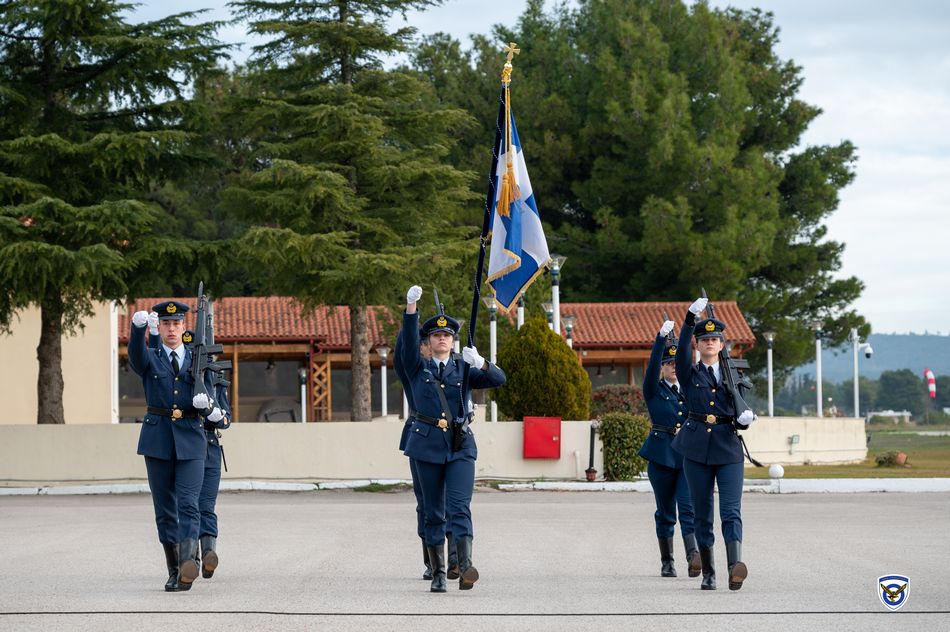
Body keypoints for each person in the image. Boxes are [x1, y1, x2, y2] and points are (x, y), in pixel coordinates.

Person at [398, 285, 506, 592]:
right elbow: (406, 345)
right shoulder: (417, 368)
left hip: (459, 446)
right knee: (433, 511)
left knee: (459, 506)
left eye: (447, 336)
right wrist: (411, 308)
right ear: (429, 342)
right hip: (426, 446)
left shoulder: (464, 368)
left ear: (453, 341)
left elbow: (499, 380)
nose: (442, 339)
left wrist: (482, 362)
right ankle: (439, 573)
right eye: (436, 336)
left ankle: (466, 565)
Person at [129, 301, 224, 592]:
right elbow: (135, 357)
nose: (172, 329)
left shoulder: (198, 359)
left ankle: (187, 567)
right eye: (167, 324)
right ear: (163, 327)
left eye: (177, 324)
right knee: (165, 509)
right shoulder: (152, 357)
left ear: (184, 327)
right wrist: (137, 330)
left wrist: (208, 407)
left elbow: (214, 393)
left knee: (188, 504)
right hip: (158, 440)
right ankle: (174, 569)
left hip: (192, 439)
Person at [671, 297, 756, 591]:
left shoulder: (735, 375)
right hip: (695, 449)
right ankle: (709, 571)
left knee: (731, 510)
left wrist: (745, 416)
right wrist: (688, 321)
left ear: (721, 345)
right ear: (698, 344)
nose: (709, 342)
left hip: (728, 447)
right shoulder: (689, 373)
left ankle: (735, 566)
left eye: (714, 339)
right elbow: (681, 351)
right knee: (702, 513)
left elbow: (743, 406)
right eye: (704, 338)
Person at [149, 325, 232, 581]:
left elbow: (226, 419)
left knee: (204, 505)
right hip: (187, 444)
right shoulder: (182, 373)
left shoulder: (214, 379)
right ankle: (190, 559)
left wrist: (214, 413)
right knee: (185, 505)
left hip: (209, 448)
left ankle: (208, 555)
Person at [393, 334, 460, 581]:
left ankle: (454, 558)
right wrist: (408, 322)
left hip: (451, 439)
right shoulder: (414, 372)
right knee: (427, 505)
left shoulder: (455, 368)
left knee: (453, 502)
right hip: (421, 438)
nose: (427, 347)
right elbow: (402, 354)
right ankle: (432, 561)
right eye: (422, 343)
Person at [640, 320, 699, 578]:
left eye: (677, 364)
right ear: (663, 367)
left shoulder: (692, 389)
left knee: (688, 508)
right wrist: (660, 340)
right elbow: (651, 368)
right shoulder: (653, 389)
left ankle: (693, 556)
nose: (674, 368)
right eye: (669, 364)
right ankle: (667, 560)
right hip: (662, 456)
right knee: (665, 512)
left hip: (686, 456)